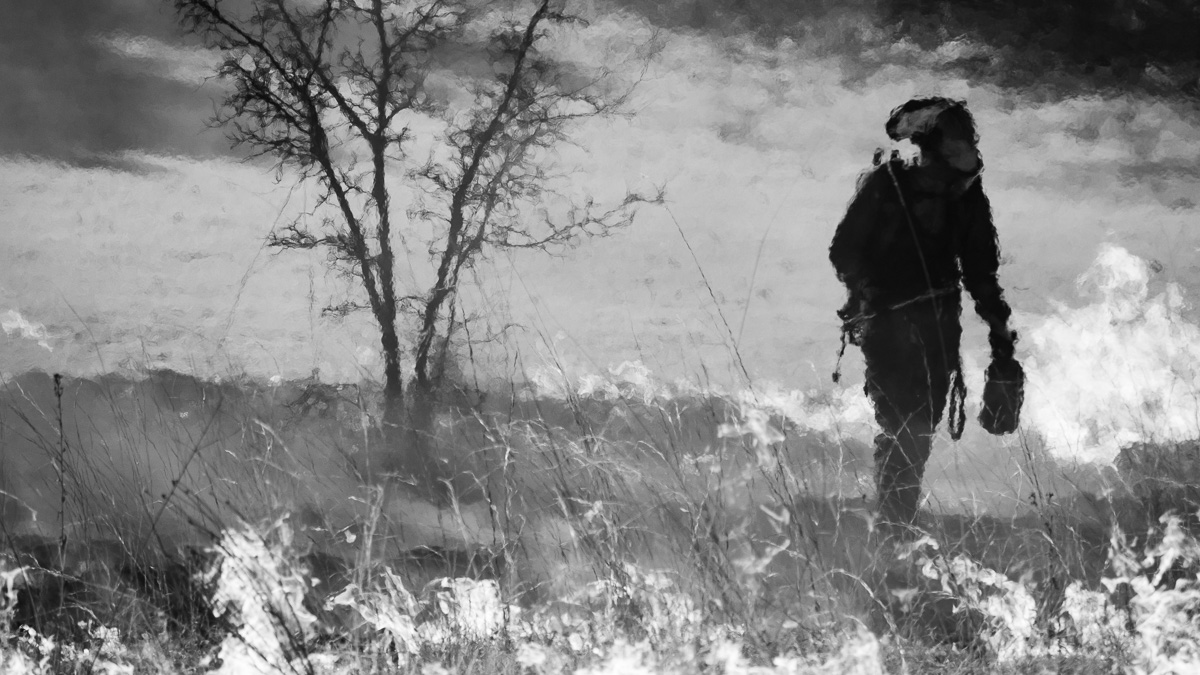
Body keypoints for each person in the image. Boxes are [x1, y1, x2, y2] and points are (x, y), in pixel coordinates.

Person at [829, 97, 1022, 529]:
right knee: (902, 426)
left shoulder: (967, 197)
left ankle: (895, 521)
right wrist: (868, 295)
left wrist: (1002, 347)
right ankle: (895, 524)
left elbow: (982, 275)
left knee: (920, 426)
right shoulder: (886, 185)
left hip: (937, 330)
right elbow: (844, 251)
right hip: (885, 327)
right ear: (928, 151)